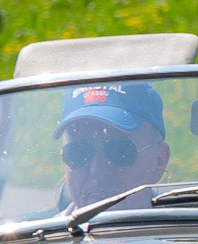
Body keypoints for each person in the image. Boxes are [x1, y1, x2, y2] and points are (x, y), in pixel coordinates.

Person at [53, 80, 171, 212]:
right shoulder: (37, 231)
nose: (98, 171)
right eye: (78, 154)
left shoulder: (186, 232)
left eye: (120, 152)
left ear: (159, 160)